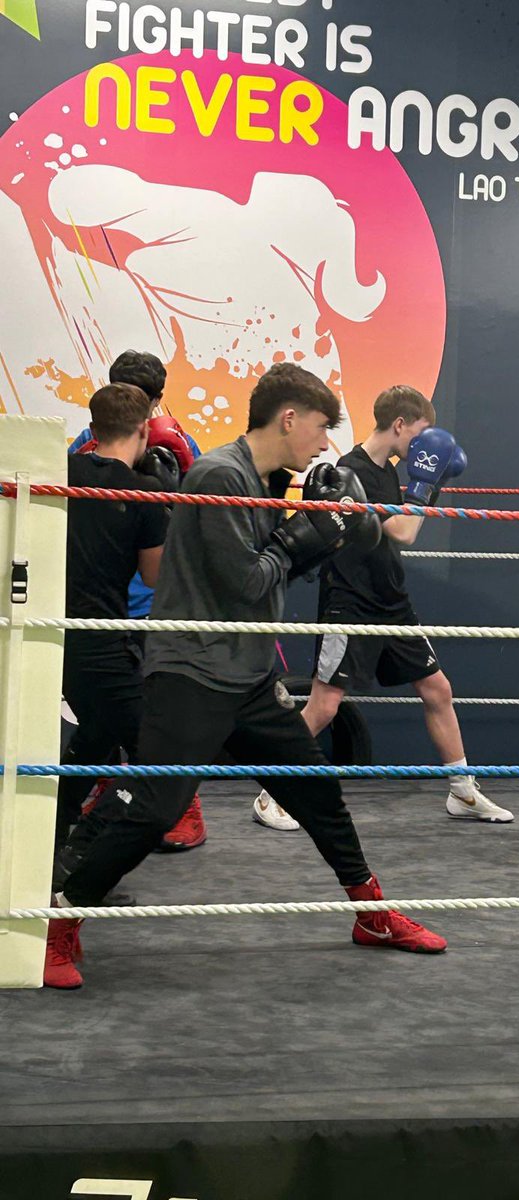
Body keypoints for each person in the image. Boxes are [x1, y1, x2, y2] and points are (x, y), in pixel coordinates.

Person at [45, 363, 447, 989]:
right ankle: (61, 921)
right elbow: (250, 582)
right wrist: (303, 535)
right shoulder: (218, 477)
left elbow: (289, 568)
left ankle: (370, 912)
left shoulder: (266, 478)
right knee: (154, 811)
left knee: (317, 791)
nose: (323, 443)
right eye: (318, 429)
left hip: (247, 674)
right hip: (193, 673)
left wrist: (332, 524)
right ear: (288, 418)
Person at [252, 384, 514, 827]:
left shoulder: (388, 471)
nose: (424, 443)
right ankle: (269, 793)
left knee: (438, 691)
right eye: (421, 431)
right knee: (325, 707)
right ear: (400, 425)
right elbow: (403, 533)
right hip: (350, 603)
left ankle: (462, 792)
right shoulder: (347, 473)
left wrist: (422, 488)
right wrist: (426, 487)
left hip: (391, 600)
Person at [69, 349, 213, 851]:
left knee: (147, 714)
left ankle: (177, 808)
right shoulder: (80, 453)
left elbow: (197, 527)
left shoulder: (177, 446)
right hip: (110, 606)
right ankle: (107, 810)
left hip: (142, 609)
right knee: (128, 725)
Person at [56, 382, 173, 890]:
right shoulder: (141, 494)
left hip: (55, 633)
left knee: (93, 743)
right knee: (155, 752)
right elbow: (153, 577)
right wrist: (169, 512)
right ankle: (83, 853)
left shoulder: (62, 473)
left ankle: (52, 840)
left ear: (93, 425)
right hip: (104, 641)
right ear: (145, 428)